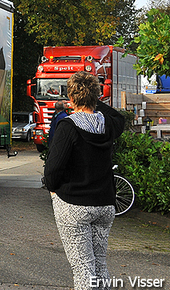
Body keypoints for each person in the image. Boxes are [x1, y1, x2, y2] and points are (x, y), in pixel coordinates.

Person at [44, 71, 125, 290]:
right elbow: (119, 117)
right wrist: (95, 101)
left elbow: (53, 169)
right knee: (99, 266)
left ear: (70, 99)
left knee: (83, 270)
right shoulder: (107, 125)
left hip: (75, 206)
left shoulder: (68, 127)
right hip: (105, 205)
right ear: (95, 95)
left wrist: (53, 191)